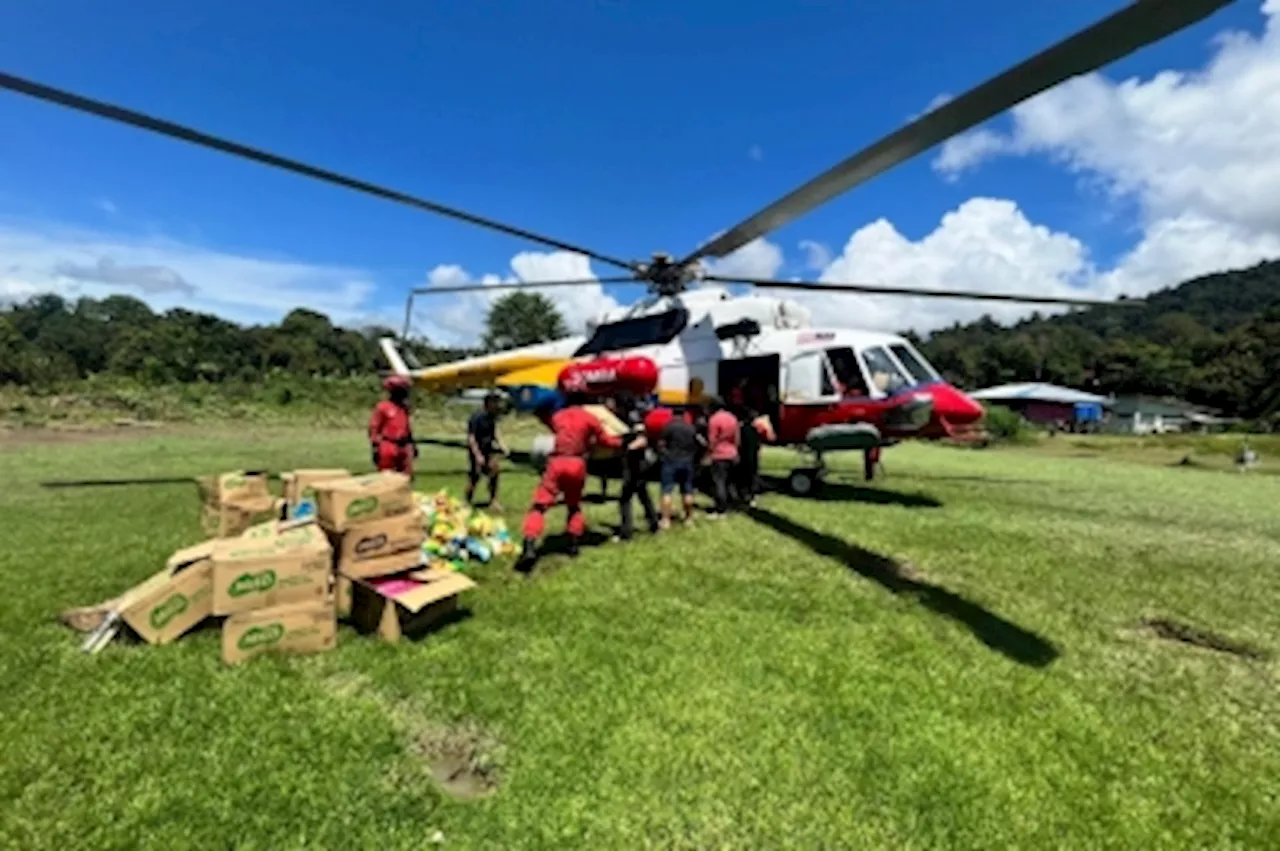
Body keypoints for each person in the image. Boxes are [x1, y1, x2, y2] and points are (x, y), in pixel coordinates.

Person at [517, 395, 623, 573]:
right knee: (574, 505)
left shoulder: (559, 416)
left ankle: (529, 545)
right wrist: (622, 442)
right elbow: (606, 441)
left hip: (557, 463)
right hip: (577, 464)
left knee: (540, 506)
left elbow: (548, 422)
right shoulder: (591, 418)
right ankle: (573, 545)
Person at [613, 392, 660, 542]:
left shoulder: (633, 418)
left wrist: (626, 448)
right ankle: (654, 525)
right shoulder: (626, 417)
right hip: (635, 465)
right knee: (643, 495)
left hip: (635, 465)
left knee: (625, 499)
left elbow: (642, 440)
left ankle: (626, 533)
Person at [657, 405, 703, 528]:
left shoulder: (668, 427)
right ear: (684, 415)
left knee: (666, 491)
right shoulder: (690, 428)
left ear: (673, 414)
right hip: (687, 461)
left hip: (670, 461)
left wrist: (664, 455)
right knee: (687, 491)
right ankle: (689, 518)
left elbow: (661, 444)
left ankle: (666, 520)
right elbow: (700, 443)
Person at [465, 393, 508, 511]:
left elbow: (495, 432)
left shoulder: (492, 417)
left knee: (494, 472)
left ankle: (494, 501)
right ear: (488, 403)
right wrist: (478, 455)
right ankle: (467, 501)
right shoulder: (476, 417)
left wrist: (502, 445)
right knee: (475, 477)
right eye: (496, 403)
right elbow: (471, 438)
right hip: (477, 451)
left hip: (489, 451)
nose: (498, 406)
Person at [369, 375, 417, 478]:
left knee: (406, 476)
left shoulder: (404, 408)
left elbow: (407, 428)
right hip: (388, 444)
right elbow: (374, 428)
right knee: (387, 476)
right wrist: (375, 447)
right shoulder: (383, 407)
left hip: (404, 445)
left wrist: (412, 444)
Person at [706, 397, 740, 517]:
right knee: (730, 482)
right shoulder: (732, 418)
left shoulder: (714, 420)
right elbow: (737, 438)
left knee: (718, 482)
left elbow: (712, 440)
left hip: (719, 454)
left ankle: (721, 508)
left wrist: (708, 454)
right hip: (732, 453)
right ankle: (733, 504)